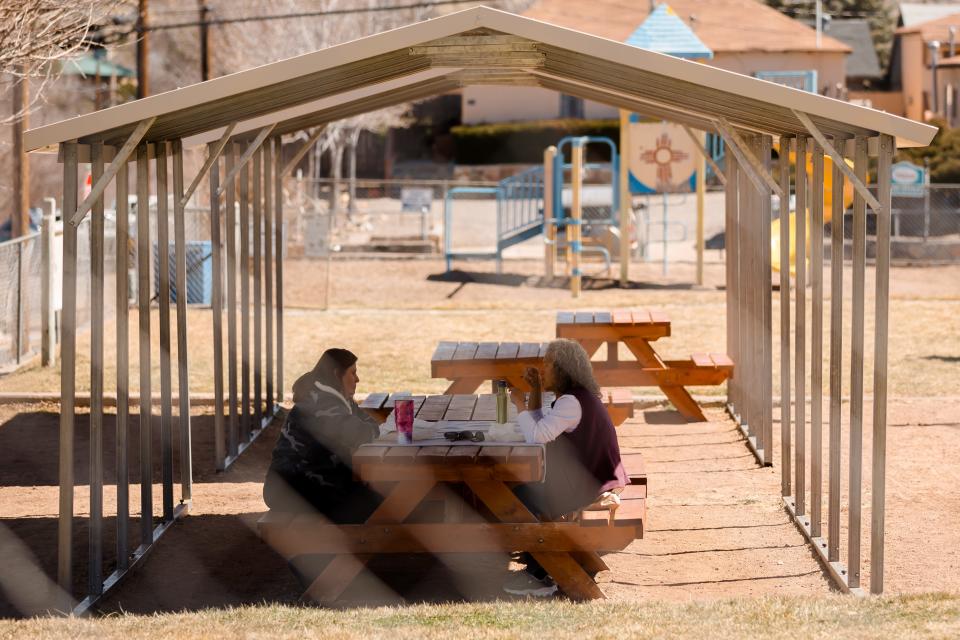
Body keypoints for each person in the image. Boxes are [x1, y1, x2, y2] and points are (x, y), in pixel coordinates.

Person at [502, 338, 628, 597]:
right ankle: (538, 557)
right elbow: (543, 428)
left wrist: (520, 405)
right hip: (592, 478)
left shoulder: (571, 402)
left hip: (587, 486)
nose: (543, 369)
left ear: (562, 370)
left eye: (548, 365)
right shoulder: (578, 398)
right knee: (522, 492)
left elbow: (536, 435)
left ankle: (541, 574)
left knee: (519, 497)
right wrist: (536, 389)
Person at [263, 348, 382, 523]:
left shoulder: (338, 397)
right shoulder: (320, 403)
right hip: (291, 489)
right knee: (380, 504)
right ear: (337, 374)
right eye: (353, 373)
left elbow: (370, 425)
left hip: (317, 482)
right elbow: (362, 433)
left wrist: (370, 429)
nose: (357, 379)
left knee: (384, 497)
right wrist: (370, 430)